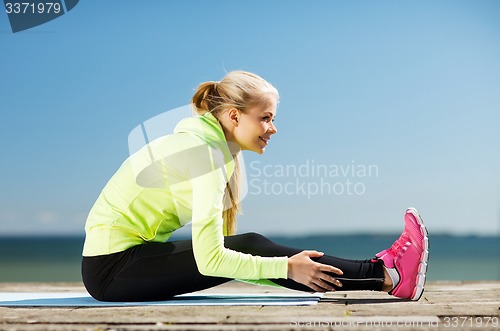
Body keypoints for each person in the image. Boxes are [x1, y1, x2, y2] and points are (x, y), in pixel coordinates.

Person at [81, 71, 429, 302]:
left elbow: (219, 259)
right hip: (113, 269)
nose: (273, 128)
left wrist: (284, 270)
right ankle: (386, 274)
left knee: (254, 245)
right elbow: (210, 260)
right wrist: (286, 268)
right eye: (265, 117)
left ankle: (384, 273)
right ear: (234, 116)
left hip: (128, 261)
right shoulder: (204, 157)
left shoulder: (208, 146)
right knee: (255, 245)